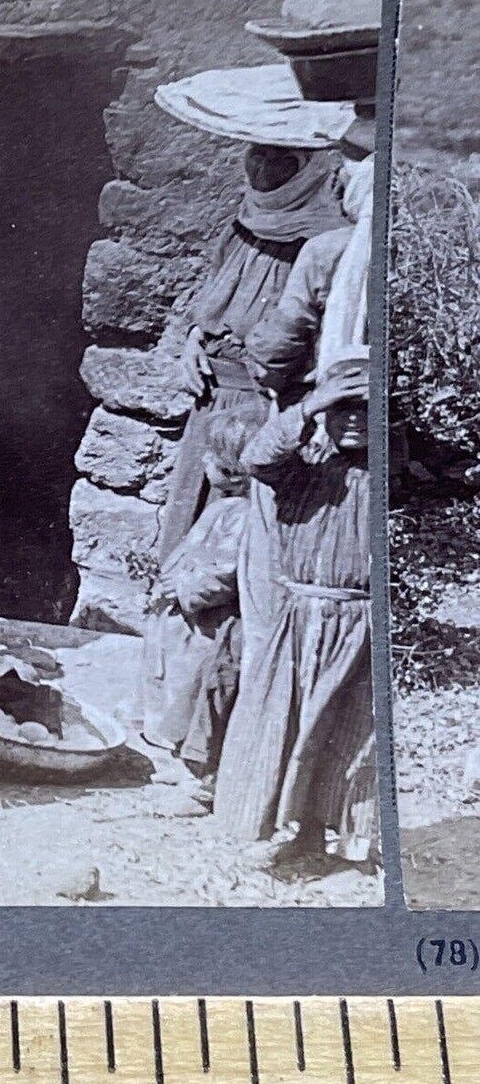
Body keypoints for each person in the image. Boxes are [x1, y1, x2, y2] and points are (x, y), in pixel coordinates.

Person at [212, 347, 375, 874]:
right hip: (300, 618)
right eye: (341, 406)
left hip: (359, 623)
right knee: (289, 729)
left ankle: (353, 842)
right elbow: (257, 457)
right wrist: (308, 408)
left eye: (365, 406)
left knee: (347, 736)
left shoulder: (387, 477)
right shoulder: (302, 471)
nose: (352, 417)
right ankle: (295, 835)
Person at [157, 138, 346, 559]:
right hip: (212, 396)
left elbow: (309, 331)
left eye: (281, 158)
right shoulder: (241, 225)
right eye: (257, 153)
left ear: (308, 168)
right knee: (192, 503)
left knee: (246, 516)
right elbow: (213, 296)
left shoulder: (322, 241)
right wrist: (193, 341)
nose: (263, 166)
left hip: (265, 400)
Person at [139, 411, 256, 803]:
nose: (204, 461)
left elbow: (226, 572)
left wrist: (184, 588)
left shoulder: (244, 515)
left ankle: (200, 777)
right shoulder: (222, 506)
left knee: (195, 695)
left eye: (212, 455)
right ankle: (178, 761)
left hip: (207, 626)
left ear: (234, 466)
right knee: (173, 689)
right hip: (183, 623)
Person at [245, 116, 374, 401]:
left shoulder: (324, 245)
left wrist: (262, 363)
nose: (338, 178)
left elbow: (290, 322)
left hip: (311, 389)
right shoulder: (412, 237)